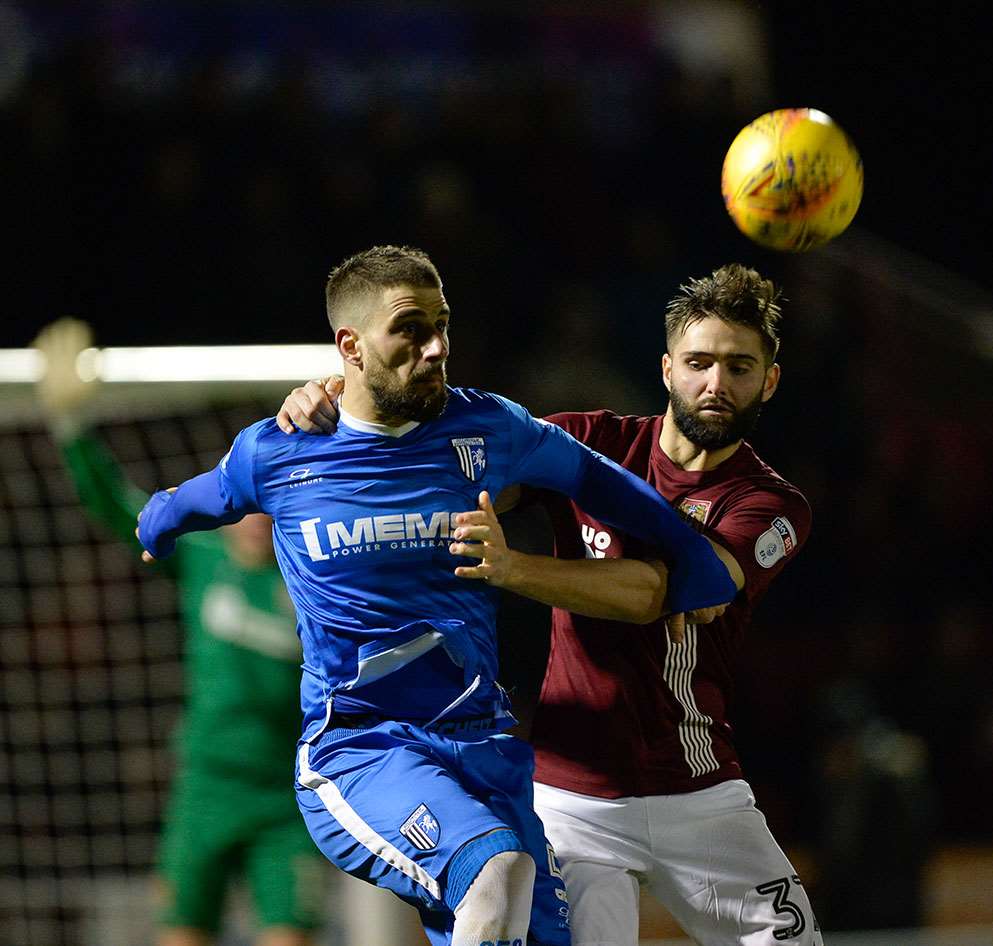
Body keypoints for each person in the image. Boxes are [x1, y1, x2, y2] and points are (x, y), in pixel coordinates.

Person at [135, 245, 737, 946]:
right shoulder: (280, 450)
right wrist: (158, 523)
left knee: (526, 917)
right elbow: (194, 500)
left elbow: (598, 480)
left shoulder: (486, 429)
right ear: (349, 347)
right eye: (411, 329)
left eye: (442, 324)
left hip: (485, 751)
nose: (436, 346)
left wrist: (692, 559)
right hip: (360, 751)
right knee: (493, 868)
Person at [279, 262, 823, 945]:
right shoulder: (590, 443)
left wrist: (510, 568)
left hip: (700, 795)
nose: (716, 383)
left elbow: (661, 592)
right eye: (699, 362)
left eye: (739, 367)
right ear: (665, 369)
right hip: (573, 800)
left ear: (768, 380)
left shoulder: (770, 504)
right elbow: (447, 464)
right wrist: (345, 403)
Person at [32, 320, 326, 946]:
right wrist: (71, 429)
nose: (253, 514)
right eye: (244, 496)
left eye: (269, 498)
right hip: (206, 786)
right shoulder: (203, 558)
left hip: (285, 796)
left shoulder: (314, 582)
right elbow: (117, 506)